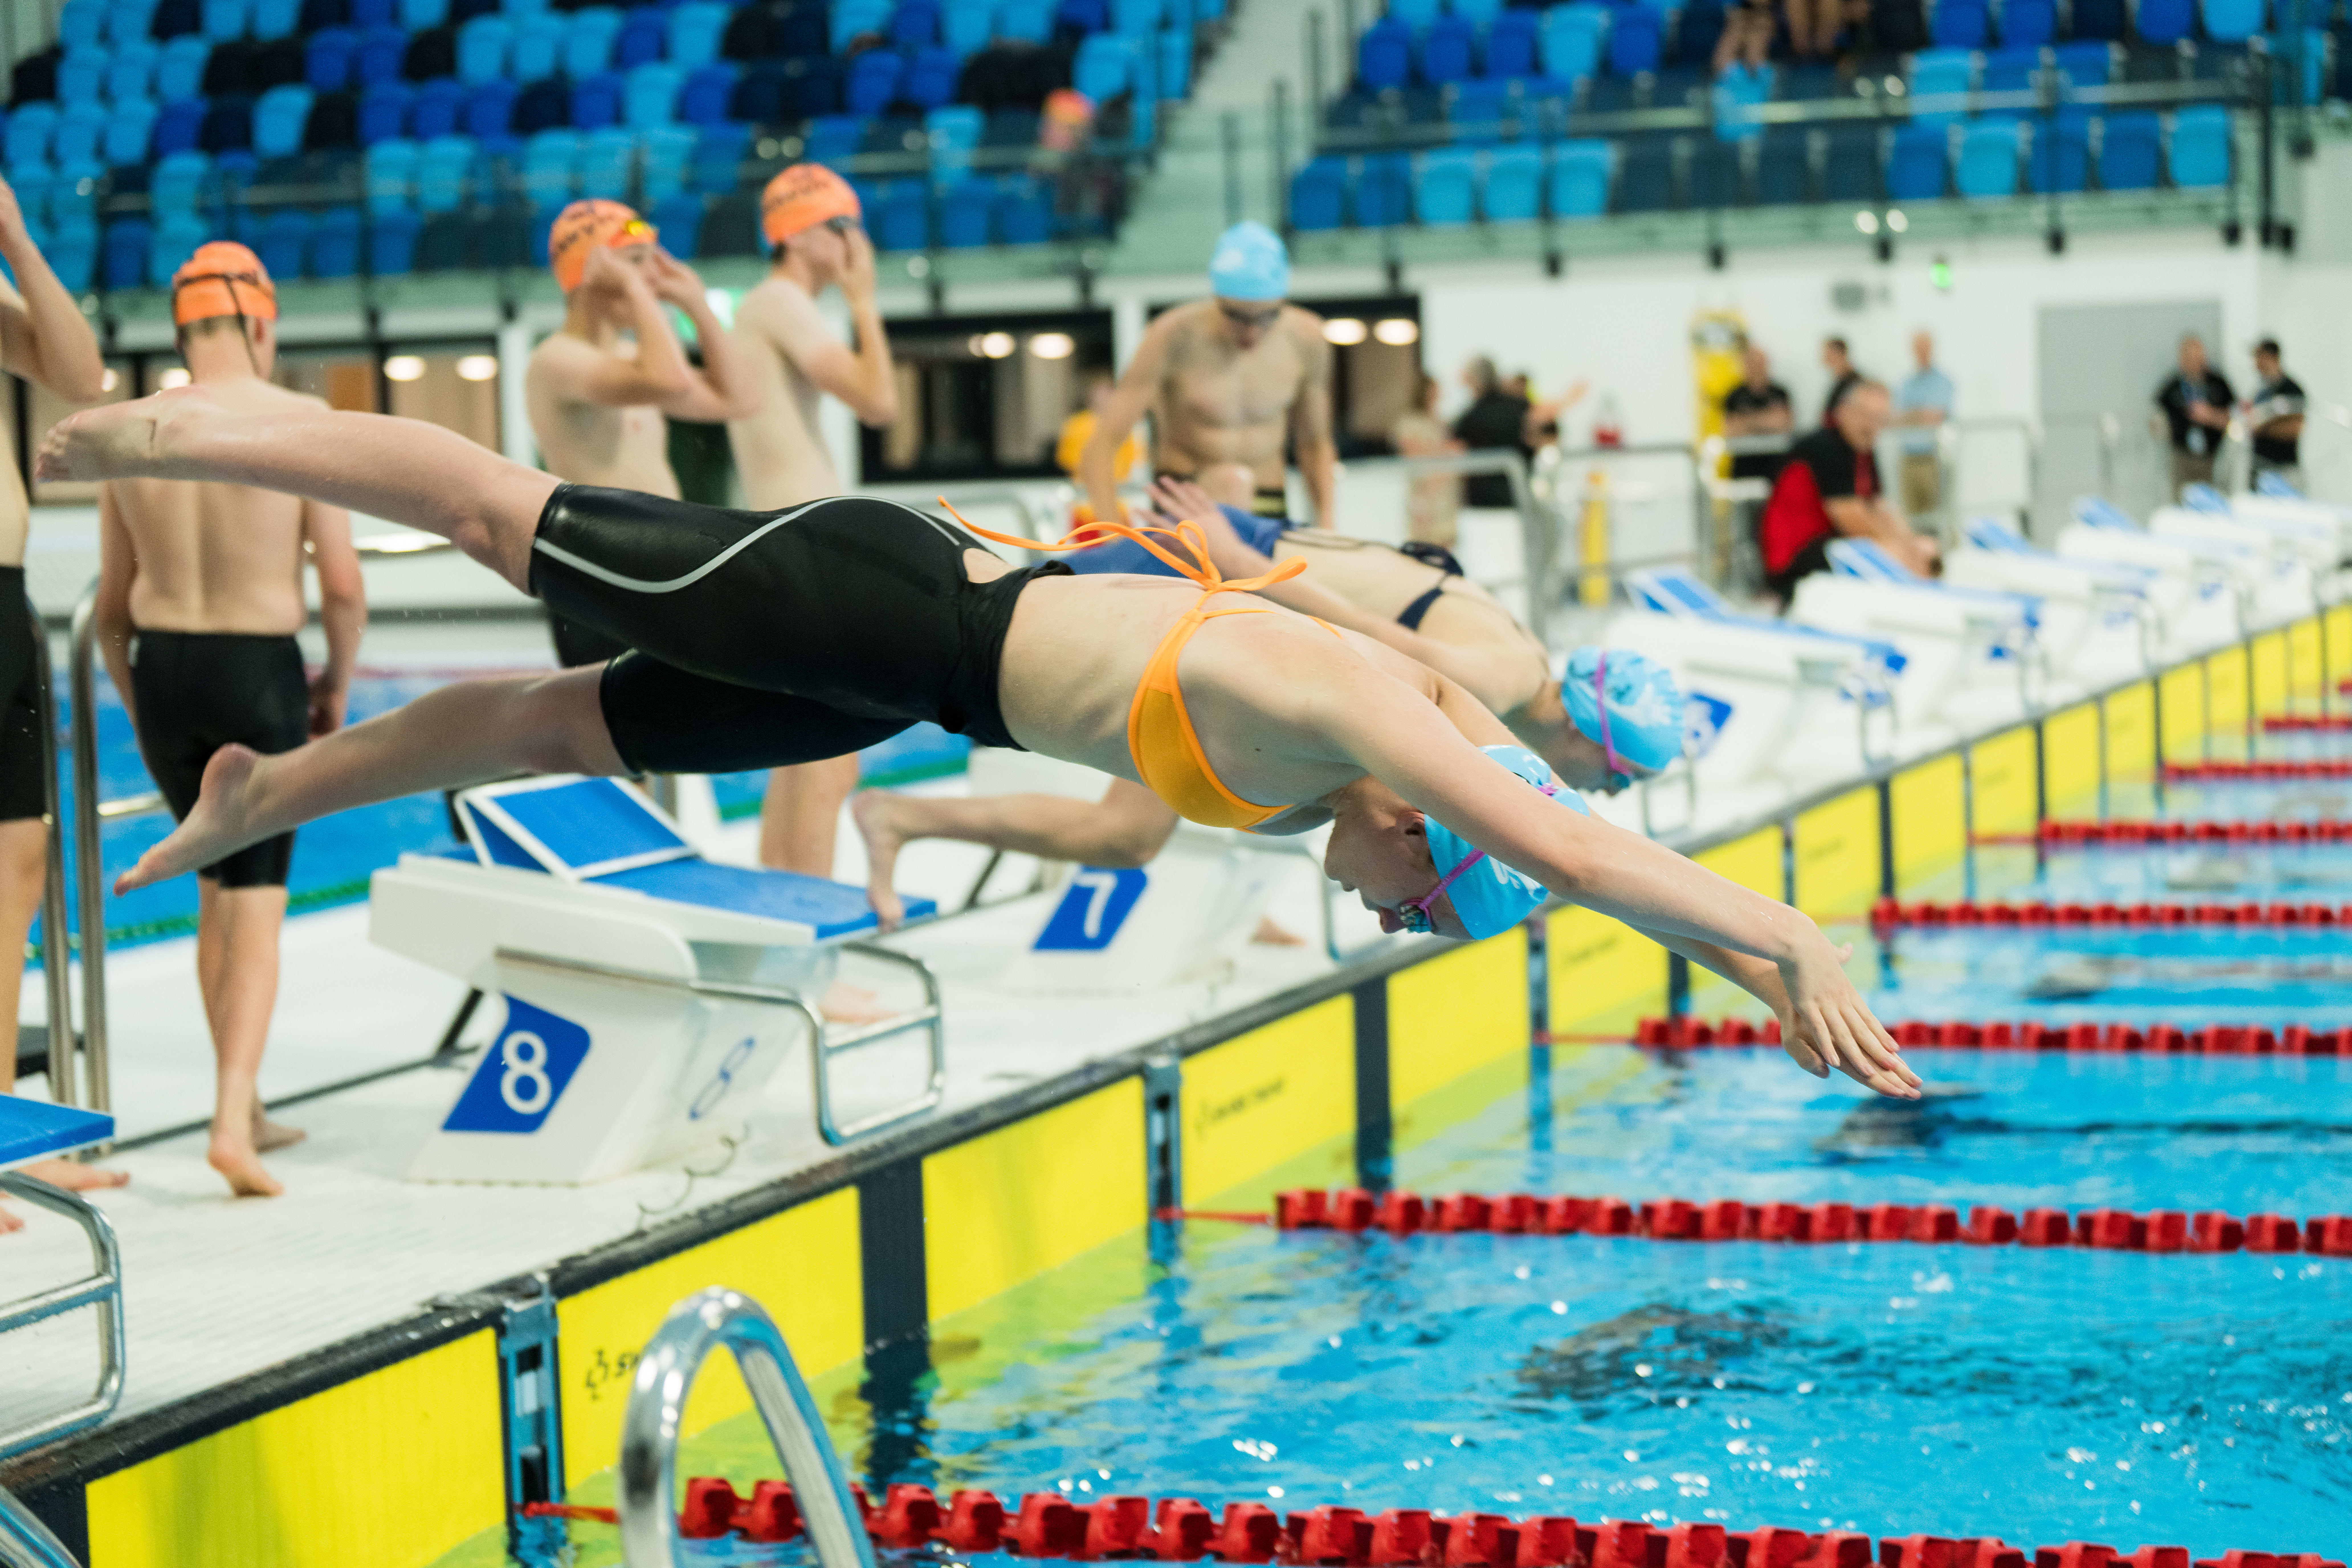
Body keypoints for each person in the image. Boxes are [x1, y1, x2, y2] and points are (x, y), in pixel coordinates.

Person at [39, 391, 1920, 1101]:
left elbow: (1564, 847)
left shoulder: (1336, 768)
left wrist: (1721, 956)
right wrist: (1788, 941)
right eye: (1411, 906)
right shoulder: (1356, 722)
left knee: (554, 729)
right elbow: (1578, 849)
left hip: (908, 679)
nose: (1382, 915)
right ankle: (191, 425)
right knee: (493, 512)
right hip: (891, 599)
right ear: (1423, 838)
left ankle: (270, 789)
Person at [851, 474, 1686, 919]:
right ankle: (902, 821)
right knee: (1125, 834)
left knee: (1148, 822)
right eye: (1611, 775)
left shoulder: (1517, 656)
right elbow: (1367, 627)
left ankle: (907, 822)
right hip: (1195, 585)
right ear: (1584, 729)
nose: (1600, 792)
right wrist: (1239, 555)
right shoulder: (1498, 679)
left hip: (1226, 592)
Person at [90, 245, 368, 1198]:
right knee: (256, 906)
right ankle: (228, 1125)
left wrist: (137, 707)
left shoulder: (136, 428)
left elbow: (110, 614)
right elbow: (341, 586)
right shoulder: (303, 421)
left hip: (164, 672)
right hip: (257, 670)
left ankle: (240, 1106)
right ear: (261, 322)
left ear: (182, 328)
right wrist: (334, 686)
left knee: (215, 890)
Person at [725, 165, 901, 881]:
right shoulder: (778, 302)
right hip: (802, 544)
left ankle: (785, 923)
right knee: (830, 757)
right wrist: (865, 303)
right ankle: (816, 935)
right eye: (845, 227)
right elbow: (877, 401)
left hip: (788, 541)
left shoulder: (767, 308)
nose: (859, 243)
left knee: (804, 755)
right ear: (800, 236)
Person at [0, 174, 119, 1230]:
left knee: (19, 862)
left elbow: (82, 376)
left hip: (5, 604)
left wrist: (16, 240)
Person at [525, 199, 753, 669]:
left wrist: (696, 305)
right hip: (598, 578)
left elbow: (739, 400)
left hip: (652, 570)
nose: (653, 278)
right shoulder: (557, 360)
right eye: (634, 263)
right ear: (590, 273)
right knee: (609, 732)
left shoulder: (632, 356)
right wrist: (636, 288)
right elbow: (668, 379)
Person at [1080, 221, 1336, 527]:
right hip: (1184, 504)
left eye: (1267, 316)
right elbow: (1101, 446)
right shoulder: (1172, 336)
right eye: (1238, 317)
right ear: (1217, 299)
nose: (1252, 332)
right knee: (1230, 480)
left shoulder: (1307, 337)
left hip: (1266, 503)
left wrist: (1328, 520)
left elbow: (1315, 443)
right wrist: (1117, 535)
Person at [1758, 380, 1939, 601]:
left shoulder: (1863, 449)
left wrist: (1912, 544)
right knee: (1887, 554)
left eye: (1880, 419)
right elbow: (1851, 519)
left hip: (1826, 544)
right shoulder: (1827, 447)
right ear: (1844, 412)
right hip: (1795, 558)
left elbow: (1880, 507)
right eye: (1866, 416)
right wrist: (1903, 554)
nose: (1872, 426)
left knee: (1916, 549)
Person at [2155, 333, 2232, 501]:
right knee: (2181, 500)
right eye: (2191, 359)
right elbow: (2158, 416)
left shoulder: (2218, 384)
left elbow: (2233, 416)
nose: (2197, 363)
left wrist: (2211, 416)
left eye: (2200, 358)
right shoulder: (2172, 387)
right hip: (2182, 454)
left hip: (2212, 455)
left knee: (2211, 499)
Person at [1390, 372, 1462, 549]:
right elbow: (1413, 455)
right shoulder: (1409, 423)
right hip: (1423, 493)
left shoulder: (1442, 423)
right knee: (1424, 547)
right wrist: (1443, 453)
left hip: (1444, 493)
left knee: (1446, 547)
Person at [1893, 331, 1953, 520]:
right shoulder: (1907, 383)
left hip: (1933, 457)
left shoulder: (1943, 382)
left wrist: (1912, 415)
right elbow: (1896, 418)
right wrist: (1920, 414)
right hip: (1909, 457)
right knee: (1912, 517)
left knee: (1938, 514)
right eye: (1917, 347)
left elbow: (1937, 416)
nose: (1921, 352)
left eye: (1924, 347)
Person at [1720, 344, 1794, 484]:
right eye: (1752, 364)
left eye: (1761, 364)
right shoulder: (1734, 396)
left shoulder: (1780, 393)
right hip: (1744, 469)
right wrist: (1768, 420)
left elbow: (1785, 425)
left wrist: (1746, 420)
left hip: (1776, 468)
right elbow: (1731, 431)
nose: (1757, 368)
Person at [1056, 372, 1141, 484]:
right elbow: (1068, 461)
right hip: (1086, 494)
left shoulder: (1124, 425)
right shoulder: (1077, 425)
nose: (1107, 396)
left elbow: (1137, 460)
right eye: (1102, 392)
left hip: (1120, 493)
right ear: (1091, 395)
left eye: (1110, 392)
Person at [2244, 338, 2304, 494]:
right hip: (2259, 465)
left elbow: (2295, 429)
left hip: (2283, 468)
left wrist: (2262, 427)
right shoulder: (2260, 391)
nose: (2256, 362)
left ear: (2271, 357)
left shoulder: (2292, 390)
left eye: (2259, 357)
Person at [1820, 337, 1861, 425]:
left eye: (1828, 353)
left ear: (1839, 354)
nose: (1824, 358)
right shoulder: (1838, 381)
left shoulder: (1855, 383)